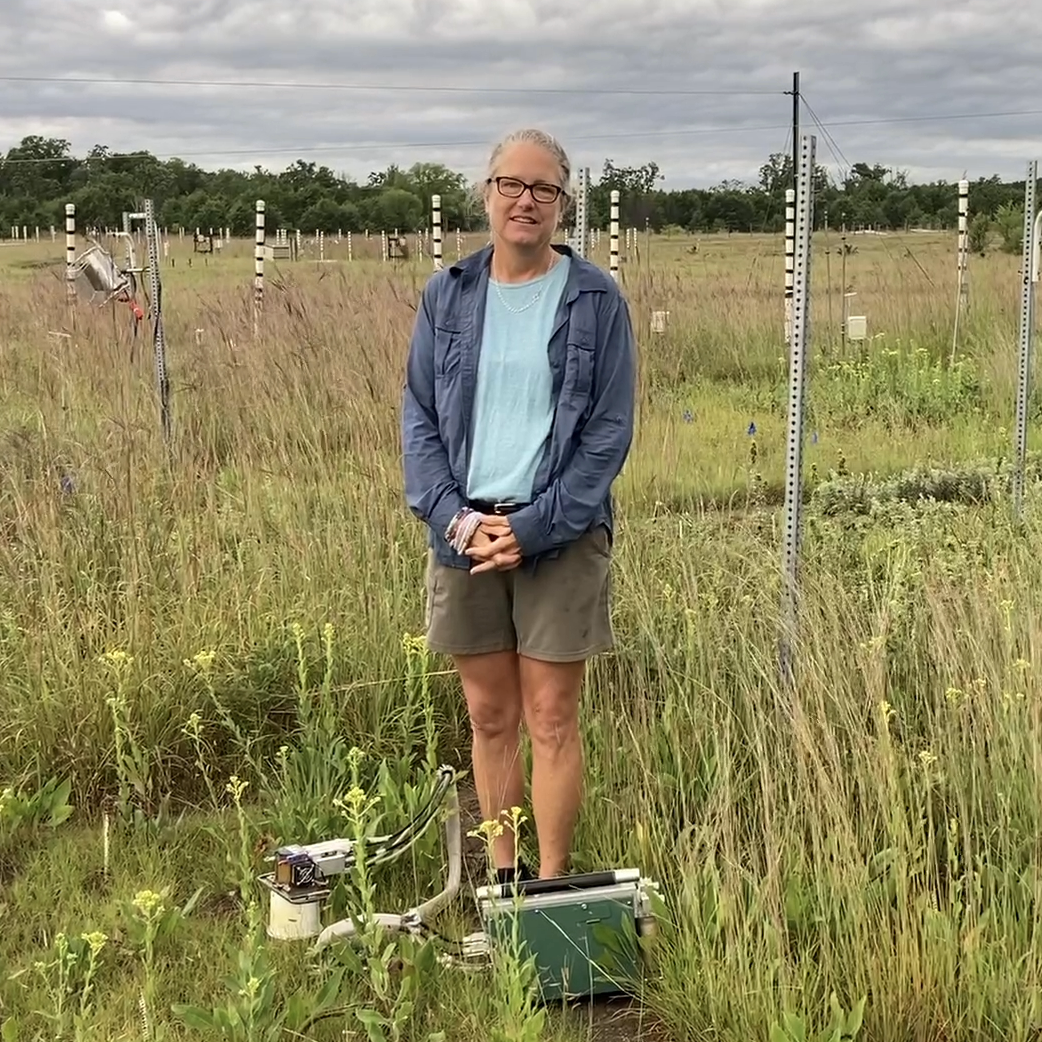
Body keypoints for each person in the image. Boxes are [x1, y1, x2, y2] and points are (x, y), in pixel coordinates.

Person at [400, 127, 636, 882]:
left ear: (563, 204)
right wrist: (459, 520)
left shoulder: (596, 300)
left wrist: (531, 529)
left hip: (559, 538)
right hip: (465, 535)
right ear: (487, 193)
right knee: (490, 718)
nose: (525, 201)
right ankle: (504, 876)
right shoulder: (449, 295)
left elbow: (607, 434)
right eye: (512, 185)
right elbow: (419, 420)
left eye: (544, 189)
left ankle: (552, 884)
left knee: (552, 719)